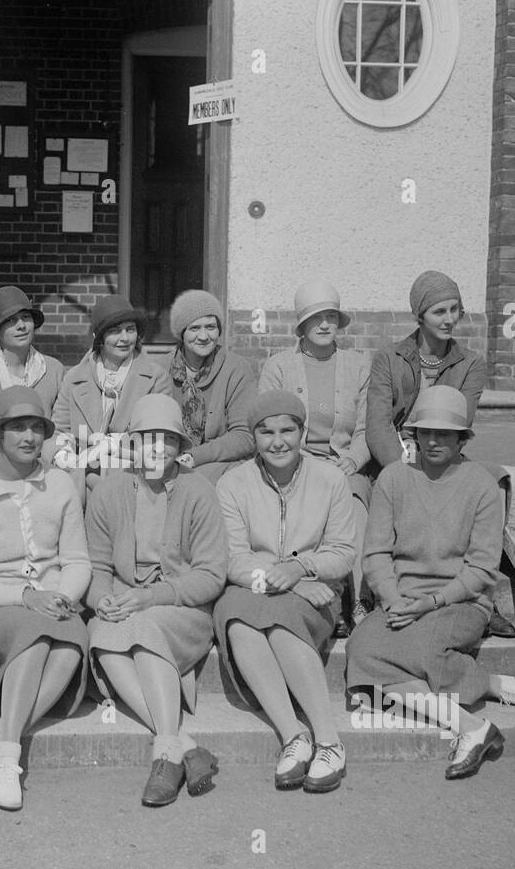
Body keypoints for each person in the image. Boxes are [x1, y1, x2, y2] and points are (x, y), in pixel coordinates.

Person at [346, 387, 515, 780]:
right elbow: (375, 554)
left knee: (415, 651)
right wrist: (391, 598)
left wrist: (433, 601)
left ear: (462, 439)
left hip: (460, 603)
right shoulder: (392, 479)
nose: (434, 441)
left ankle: (470, 730)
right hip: (402, 600)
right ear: (413, 436)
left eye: (446, 434)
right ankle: (487, 694)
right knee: (361, 651)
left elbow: (481, 569)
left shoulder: (482, 485)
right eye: (426, 433)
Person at [0, 386, 92, 811]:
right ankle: (10, 760)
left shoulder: (60, 484)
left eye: (36, 428)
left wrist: (61, 596)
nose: (28, 437)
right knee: (38, 635)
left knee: (68, 644)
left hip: (51, 604)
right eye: (17, 428)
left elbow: (78, 560)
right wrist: (26, 596)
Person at [84, 394, 227, 807]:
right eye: (148, 439)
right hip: (124, 604)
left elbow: (210, 575)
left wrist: (151, 597)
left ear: (180, 447)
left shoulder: (198, 491)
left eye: (167, 440)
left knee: (142, 629)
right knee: (101, 635)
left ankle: (165, 756)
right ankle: (182, 744)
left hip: (182, 610)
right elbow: (96, 567)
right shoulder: (109, 491)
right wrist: (101, 600)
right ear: (132, 443)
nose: (157, 449)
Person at [213, 392, 357, 793]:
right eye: (266, 432)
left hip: (318, 594)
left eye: (287, 431)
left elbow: (343, 552)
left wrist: (301, 568)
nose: (277, 442)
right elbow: (232, 559)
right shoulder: (233, 483)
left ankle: (329, 741)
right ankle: (294, 735)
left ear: (302, 432)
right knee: (238, 620)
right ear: (254, 437)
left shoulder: (331, 479)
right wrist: (283, 576)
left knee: (277, 624)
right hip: (255, 586)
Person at [365, 270, 514, 637]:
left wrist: (432, 455)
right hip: (396, 455)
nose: (449, 319)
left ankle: (479, 593)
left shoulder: (470, 365)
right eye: (438, 312)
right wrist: (402, 465)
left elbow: (461, 417)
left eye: (455, 310)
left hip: (442, 447)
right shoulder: (390, 358)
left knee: (494, 479)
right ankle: (374, 594)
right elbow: (379, 424)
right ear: (419, 316)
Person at [259, 279, 372, 632]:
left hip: (346, 464)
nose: (324, 325)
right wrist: (300, 461)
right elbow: (267, 424)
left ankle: (360, 602)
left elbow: (369, 428)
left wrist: (352, 460)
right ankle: (330, 600)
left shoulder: (358, 365)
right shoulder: (279, 366)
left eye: (331, 317)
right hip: (295, 464)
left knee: (353, 501)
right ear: (302, 325)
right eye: (316, 318)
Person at [52, 293, 170, 502]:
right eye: (115, 331)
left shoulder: (156, 377)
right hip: (81, 475)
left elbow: (160, 439)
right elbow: (59, 431)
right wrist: (65, 457)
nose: (124, 338)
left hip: (136, 475)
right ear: (99, 337)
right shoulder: (74, 378)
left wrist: (113, 445)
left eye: (130, 330)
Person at [163, 290, 256, 483]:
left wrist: (194, 456)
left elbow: (244, 435)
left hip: (219, 465)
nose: (204, 336)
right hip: (166, 460)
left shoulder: (237, 369)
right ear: (182, 332)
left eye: (211, 327)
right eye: (195, 328)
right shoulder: (160, 370)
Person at [0, 285, 66, 417]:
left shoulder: (53, 370)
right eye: (10, 320)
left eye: (26, 317)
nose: (21, 326)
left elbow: (62, 425)